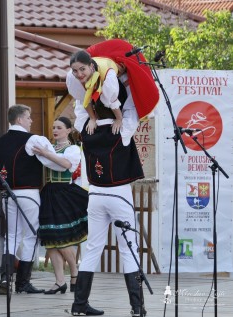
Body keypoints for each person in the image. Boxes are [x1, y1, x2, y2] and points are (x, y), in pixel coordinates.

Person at [66, 43, 158, 317]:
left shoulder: (87, 132)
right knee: (128, 249)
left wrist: (91, 116)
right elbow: (131, 112)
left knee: (92, 249)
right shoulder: (122, 130)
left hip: (95, 196)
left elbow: (82, 113)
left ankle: (79, 305)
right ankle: (137, 308)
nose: (80, 76)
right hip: (119, 195)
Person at [0, 104, 45, 295]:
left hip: (7, 193)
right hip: (28, 192)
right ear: (20, 119)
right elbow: (50, 159)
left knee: (11, 235)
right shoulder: (33, 140)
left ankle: (5, 278)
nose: (31, 121)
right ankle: (23, 282)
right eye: (29, 117)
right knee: (31, 235)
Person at [29, 117, 88, 295]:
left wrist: (45, 154)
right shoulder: (49, 147)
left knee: (61, 237)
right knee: (50, 241)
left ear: (69, 130)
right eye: (53, 127)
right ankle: (59, 281)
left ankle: (75, 270)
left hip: (63, 193)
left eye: (59, 127)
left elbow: (66, 165)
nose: (55, 130)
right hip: (48, 192)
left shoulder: (72, 149)